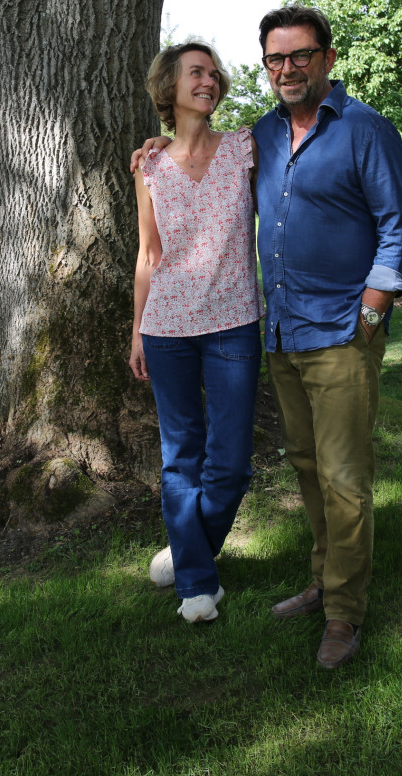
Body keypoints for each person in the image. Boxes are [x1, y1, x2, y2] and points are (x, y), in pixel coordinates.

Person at [132, 6, 402, 668]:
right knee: (310, 467)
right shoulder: (259, 135)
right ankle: (322, 581)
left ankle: (345, 615)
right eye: (275, 59)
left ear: (327, 58)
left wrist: (372, 312)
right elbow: (168, 214)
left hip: (341, 329)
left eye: (299, 56)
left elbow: (399, 226)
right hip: (284, 332)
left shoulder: (361, 129)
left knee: (344, 476)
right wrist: (153, 151)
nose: (286, 69)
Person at [130, 39, 263, 624]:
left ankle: (187, 551)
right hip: (167, 329)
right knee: (180, 456)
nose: (209, 80)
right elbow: (148, 253)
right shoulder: (149, 165)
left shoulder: (245, 148)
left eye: (214, 73)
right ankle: (197, 584)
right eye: (196, 73)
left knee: (230, 463)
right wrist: (137, 330)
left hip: (233, 323)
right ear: (170, 87)